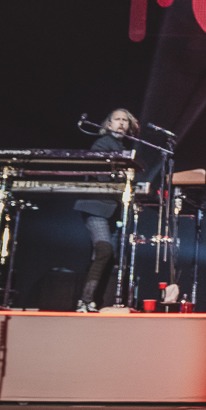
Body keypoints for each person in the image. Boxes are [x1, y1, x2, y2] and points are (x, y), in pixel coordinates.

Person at [76, 108, 136, 313]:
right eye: (117, 120)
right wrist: (121, 177)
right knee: (104, 250)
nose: (121, 123)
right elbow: (100, 172)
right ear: (108, 125)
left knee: (109, 256)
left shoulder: (120, 145)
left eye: (124, 121)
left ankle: (94, 301)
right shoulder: (103, 143)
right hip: (96, 206)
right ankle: (84, 301)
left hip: (111, 210)